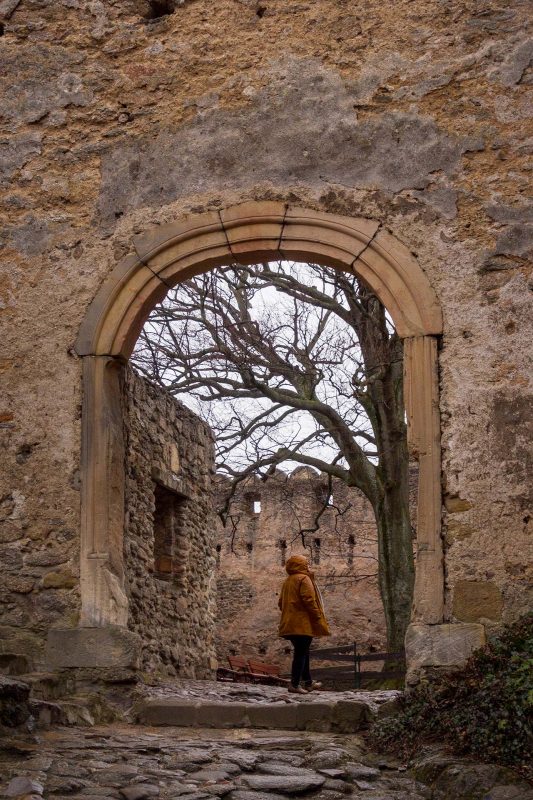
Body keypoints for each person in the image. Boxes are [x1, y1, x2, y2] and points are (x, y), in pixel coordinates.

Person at [278, 554, 330, 694]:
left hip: (290, 623)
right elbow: (309, 600)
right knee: (301, 653)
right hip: (302, 624)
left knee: (304, 652)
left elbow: (280, 603)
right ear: (301, 565)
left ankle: (308, 682)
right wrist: (317, 616)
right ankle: (294, 684)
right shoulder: (304, 579)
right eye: (306, 564)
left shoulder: (287, 581)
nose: (309, 566)